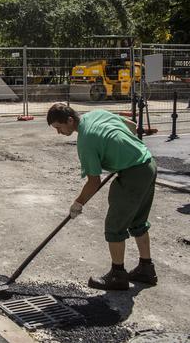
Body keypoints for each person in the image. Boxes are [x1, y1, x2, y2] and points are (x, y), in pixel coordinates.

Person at [46, 103, 158, 290]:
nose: (58, 132)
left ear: (70, 120)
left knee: (114, 226)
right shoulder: (96, 114)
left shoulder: (86, 141)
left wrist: (78, 203)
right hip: (148, 164)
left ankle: (118, 275)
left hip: (133, 173)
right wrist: (123, 149)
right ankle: (146, 269)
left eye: (59, 127)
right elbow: (130, 124)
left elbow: (94, 182)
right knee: (138, 221)